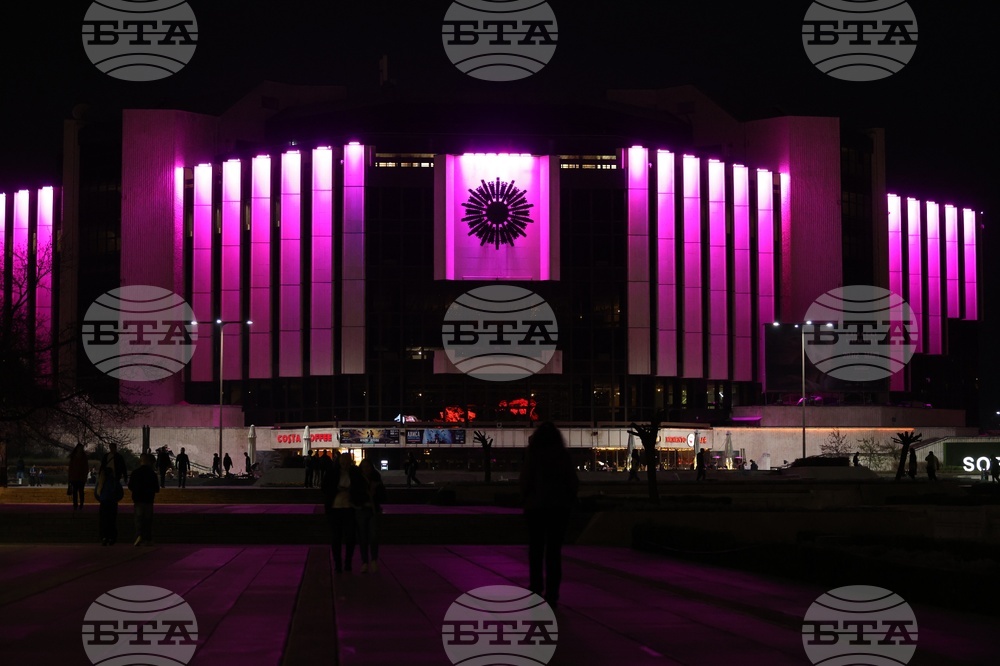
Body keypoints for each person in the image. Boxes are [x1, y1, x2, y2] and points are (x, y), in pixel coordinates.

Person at [519, 422, 578, 608]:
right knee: (554, 552)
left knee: (536, 549)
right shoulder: (563, 457)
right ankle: (552, 592)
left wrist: (527, 497)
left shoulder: (533, 456)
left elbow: (526, 480)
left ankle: (536, 587)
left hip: (536, 507)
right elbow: (572, 482)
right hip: (559, 508)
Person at [322, 451, 358, 572]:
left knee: (350, 538)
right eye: (342, 462)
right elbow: (325, 488)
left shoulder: (354, 473)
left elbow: (360, 488)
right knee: (336, 538)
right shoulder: (332, 473)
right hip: (335, 508)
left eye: (347, 462)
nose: (344, 464)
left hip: (349, 508)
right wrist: (336, 489)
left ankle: (348, 562)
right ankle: (338, 563)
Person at [353, 458, 386, 573]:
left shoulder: (376, 479)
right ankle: (365, 561)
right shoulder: (358, 479)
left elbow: (383, 495)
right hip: (362, 509)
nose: (366, 469)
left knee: (373, 536)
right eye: (364, 467)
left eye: (368, 467)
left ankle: (373, 560)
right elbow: (354, 494)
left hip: (373, 510)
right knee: (363, 537)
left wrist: (374, 492)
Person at [96, 442, 128, 546]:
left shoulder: (103, 483)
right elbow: (120, 493)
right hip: (112, 502)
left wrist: (101, 499)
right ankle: (110, 537)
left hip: (105, 502)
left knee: (104, 520)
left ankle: (104, 537)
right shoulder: (114, 483)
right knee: (111, 520)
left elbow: (97, 492)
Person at [128, 453, 159, 546]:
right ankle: (147, 538)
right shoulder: (152, 474)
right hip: (148, 499)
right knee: (148, 519)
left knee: (138, 518)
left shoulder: (135, 473)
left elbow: (130, 486)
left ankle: (139, 535)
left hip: (138, 499)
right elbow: (156, 488)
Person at [68, 444, 89, 511]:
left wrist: (85, 476)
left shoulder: (83, 457)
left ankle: (81, 504)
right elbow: (71, 467)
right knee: (75, 492)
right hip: (75, 477)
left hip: (81, 477)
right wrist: (70, 476)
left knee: (81, 492)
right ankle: (75, 505)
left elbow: (86, 467)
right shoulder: (74, 456)